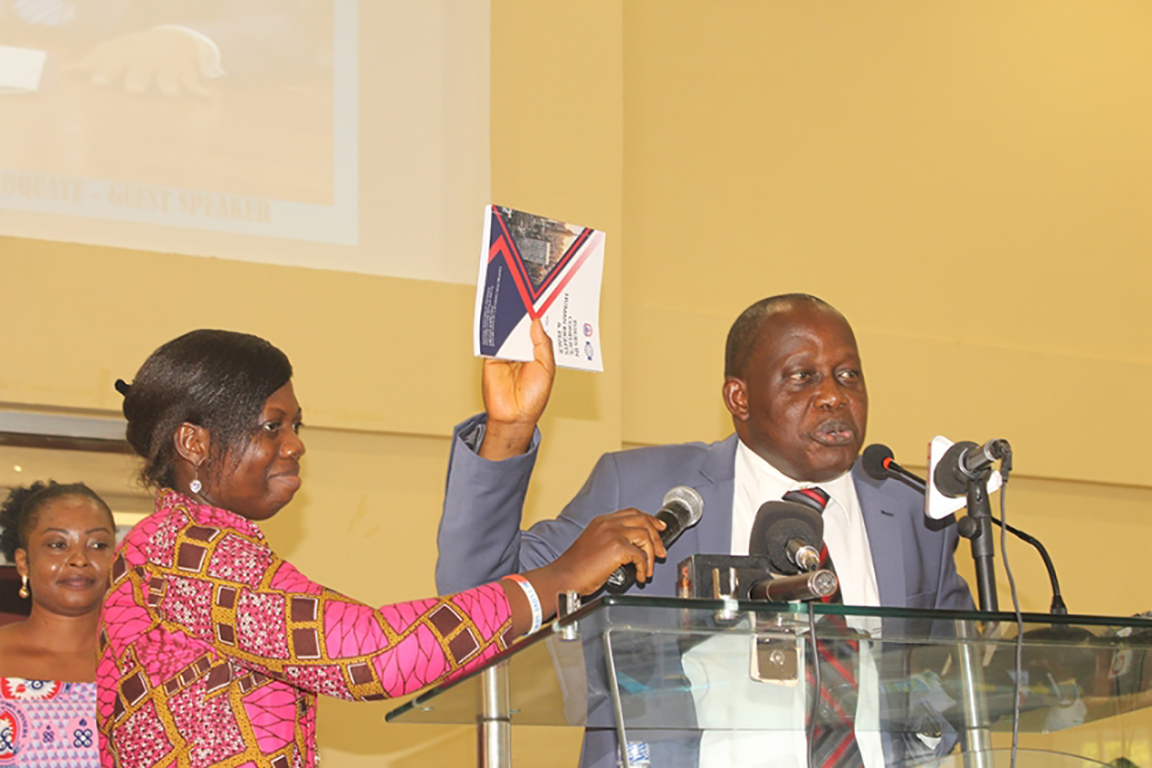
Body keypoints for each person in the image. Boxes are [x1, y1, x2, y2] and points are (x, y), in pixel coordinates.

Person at [436, 294, 976, 767]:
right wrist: (508, 431)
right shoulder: (644, 488)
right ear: (739, 398)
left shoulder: (910, 509)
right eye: (802, 376)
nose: (834, 395)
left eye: (848, 374)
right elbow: (475, 599)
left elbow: (961, 671)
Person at [96, 329, 665, 768]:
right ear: (193, 441)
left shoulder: (188, 548)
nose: (295, 445)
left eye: (296, 424)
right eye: (273, 426)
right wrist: (558, 579)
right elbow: (374, 655)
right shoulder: (185, 552)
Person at [0, 481, 117, 767]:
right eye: (57, 545)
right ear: (24, 562)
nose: (79, 559)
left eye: (98, 545)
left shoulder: (142, 665)